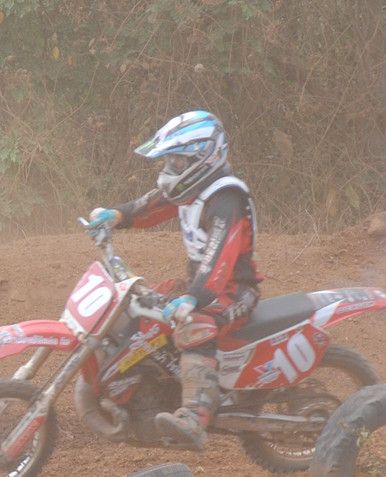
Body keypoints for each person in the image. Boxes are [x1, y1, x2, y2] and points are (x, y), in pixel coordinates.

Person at [85, 110, 262, 451]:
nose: (171, 168)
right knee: (138, 306)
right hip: (201, 285)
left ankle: (194, 417)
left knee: (195, 327)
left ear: (203, 156)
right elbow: (152, 205)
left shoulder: (226, 199)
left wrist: (193, 297)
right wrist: (115, 216)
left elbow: (219, 257)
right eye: (169, 160)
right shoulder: (191, 188)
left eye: (177, 160)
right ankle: (148, 387)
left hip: (234, 290)